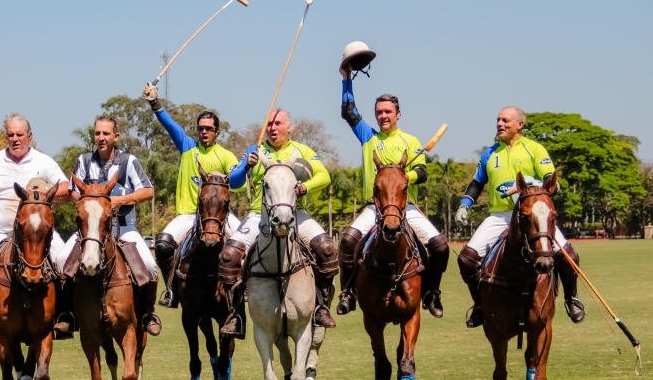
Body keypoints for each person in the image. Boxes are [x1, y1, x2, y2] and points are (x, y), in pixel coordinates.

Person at [455, 107, 586, 327]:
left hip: (533, 215)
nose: (500, 124)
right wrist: (465, 204)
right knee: (466, 260)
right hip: (501, 215)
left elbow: (551, 182)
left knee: (568, 255)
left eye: (505, 120)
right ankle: (479, 305)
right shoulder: (490, 153)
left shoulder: (535, 149)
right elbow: (478, 182)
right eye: (498, 120)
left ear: (520, 124)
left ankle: (571, 298)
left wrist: (529, 181)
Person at [336, 65, 449, 317]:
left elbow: (423, 172)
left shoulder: (411, 142)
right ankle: (347, 292)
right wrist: (346, 79)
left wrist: (401, 177)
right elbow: (348, 112)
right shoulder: (368, 137)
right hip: (374, 208)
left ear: (398, 114)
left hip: (405, 209)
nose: (383, 116)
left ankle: (432, 292)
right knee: (347, 241)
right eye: (379, 112)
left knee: (441, 246)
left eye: (388, 111)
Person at [220, 109, 339, 335]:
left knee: (327, 249)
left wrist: (304, 187)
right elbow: (233, 184)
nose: (273, 128)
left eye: (278, 123)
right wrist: (246, 166)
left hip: (296, 213)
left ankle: (321, 307)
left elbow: (324, 176)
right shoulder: (254, 151)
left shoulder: (302, 151)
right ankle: (236, 315)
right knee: (229, 257)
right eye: (269, 124)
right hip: (259, 215)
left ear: (289, 127)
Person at [0, 115, 70, 344]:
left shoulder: (43, 161)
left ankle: (64, 315)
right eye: (11, 135)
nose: (15, 139)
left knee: (66, 262)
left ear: (29, 136)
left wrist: (42, 192)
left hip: (36, 232)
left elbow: (66, 190)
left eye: (20, 135)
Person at [55, 114, 162, 336]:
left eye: (105, 133)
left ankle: (147, 313)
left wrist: (119, 201)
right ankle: (66, 314)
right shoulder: (84, 161)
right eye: (97, 133)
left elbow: (148, 191)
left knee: (150, 266)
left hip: (124, 227)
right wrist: (92, 204)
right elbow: (74, 191)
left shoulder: (128, 162)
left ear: (116, 135)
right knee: (61, 261)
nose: (101, 137)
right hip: (89, 230)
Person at [143, 83, 242, 308]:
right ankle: (172, 290)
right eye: (200, 128)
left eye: (208, 128)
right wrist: (154, 102)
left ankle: (241, 291)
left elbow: (236, 183)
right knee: (162, 244)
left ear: (217, 131)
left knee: (244, 244)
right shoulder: (187, 147)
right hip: (188, 215)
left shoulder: (226, 156)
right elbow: (170, 125)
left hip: (219, 219)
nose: (203, 132)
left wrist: (243, 169)